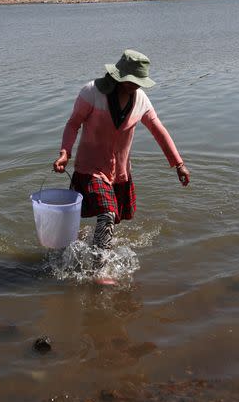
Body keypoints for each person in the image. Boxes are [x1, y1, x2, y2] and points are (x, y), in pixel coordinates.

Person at [52, 49, 190, 262]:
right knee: (107, 213)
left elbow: (158, 130)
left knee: (112, 219)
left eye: (138, 81)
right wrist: (65, 153)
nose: (135, 85)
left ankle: (91, 245)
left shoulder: (141, 100)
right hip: (90, 168)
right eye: (130, 80)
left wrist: (178, 164)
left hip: (120, 172)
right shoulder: (92, 93)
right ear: (118, 76)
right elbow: (73, 124)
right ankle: (101, 265)